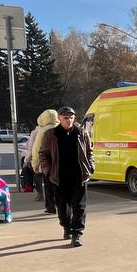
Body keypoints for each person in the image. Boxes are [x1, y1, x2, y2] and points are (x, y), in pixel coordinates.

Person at [38, 106, 93, 247]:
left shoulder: (82, 133)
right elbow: (43, 154)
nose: (69, 121)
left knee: (79, 206)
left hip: (78, 176)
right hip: (59, 177)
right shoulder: (51, 134)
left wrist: (91, 167)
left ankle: (77, 233)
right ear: (59, 119)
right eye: (66, 118)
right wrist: (48, 171)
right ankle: (66, 226)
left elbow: (89, 152)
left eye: (71, 118)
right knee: (62, 207)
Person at [27, 109, 59, 211]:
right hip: (61, 162)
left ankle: (50, 207)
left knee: (48, 186)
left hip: (47, 163)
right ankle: (61, 206)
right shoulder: (62, 127)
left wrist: (35, 164)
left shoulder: (42, 131)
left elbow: (37, 148)